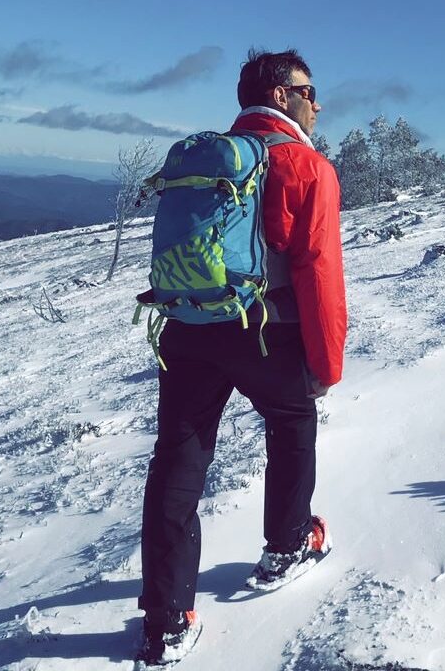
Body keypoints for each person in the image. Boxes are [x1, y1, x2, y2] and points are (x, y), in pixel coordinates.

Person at [136, 48, 347, 667]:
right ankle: (285, 547)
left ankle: (167, 622)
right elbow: (318, 273)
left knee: (178, 459)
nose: (318, 102)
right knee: (291, 421)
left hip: (187, 325)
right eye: (310, 91)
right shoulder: (305, 165)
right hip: (263, 333)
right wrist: (325, 367)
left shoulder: (210, 160)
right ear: (280, 96)